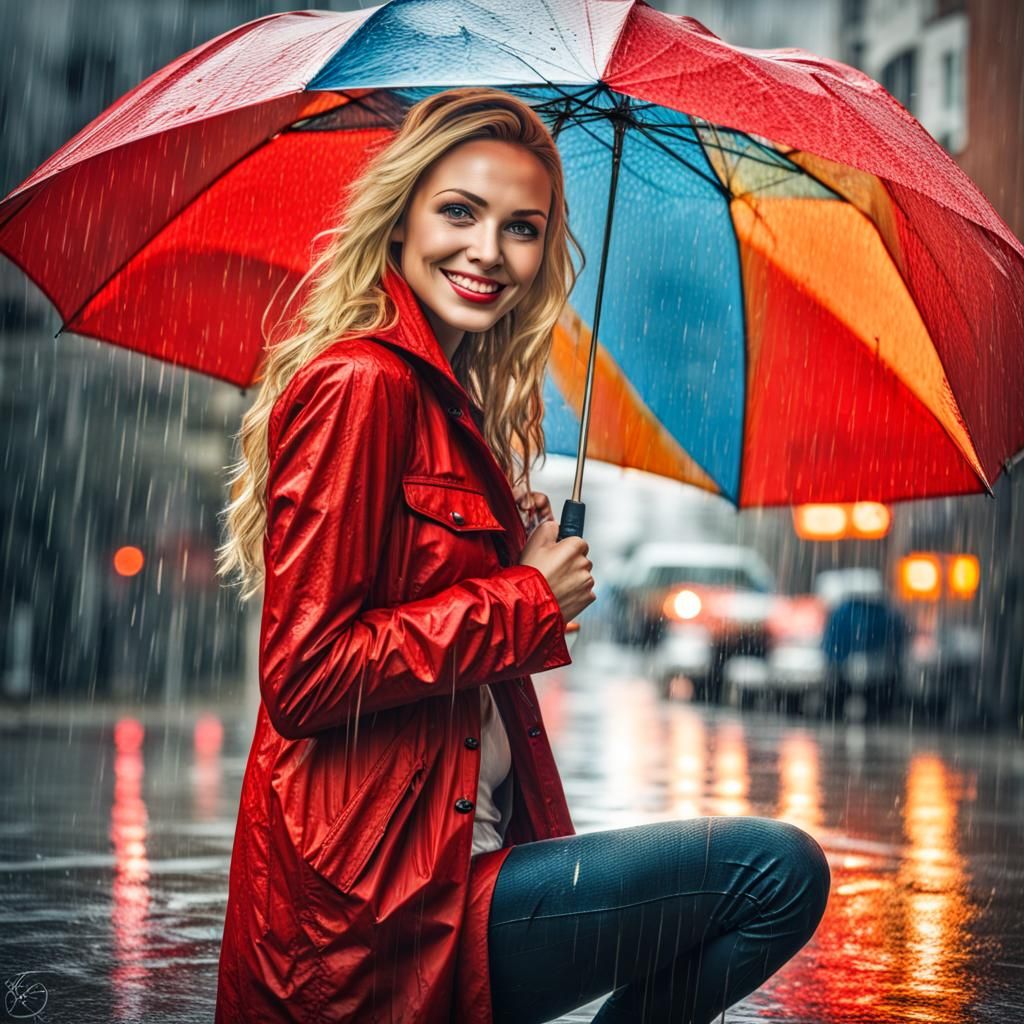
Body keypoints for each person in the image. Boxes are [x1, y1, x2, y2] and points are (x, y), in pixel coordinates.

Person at [213, 86, 829, 1024]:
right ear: (400, 217)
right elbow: (305, 674)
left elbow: (408, 600)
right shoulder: (363, 384)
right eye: (459, 211)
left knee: (769, 875)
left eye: (522, 228)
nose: (488, 252)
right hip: (382, 908)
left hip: (449, 867)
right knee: (773, 872)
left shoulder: (442, 399)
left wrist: (504, 546)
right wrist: (523, 596)